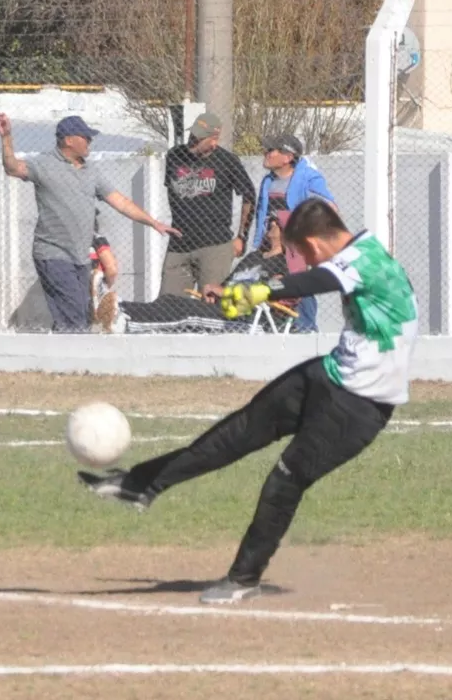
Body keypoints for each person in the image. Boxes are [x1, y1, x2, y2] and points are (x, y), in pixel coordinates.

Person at [79, 198, 419, 603]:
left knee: (285, 481)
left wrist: (259, 290)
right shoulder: (357, 254)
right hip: (330, 374)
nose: (302, 261)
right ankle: (141, 485)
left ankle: (244, 578)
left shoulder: (366, 260)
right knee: (236, 431)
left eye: (300, 252)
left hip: (361, 406)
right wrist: (237, 293)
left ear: (313, 242)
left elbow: (315, 282)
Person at [0, 112, 179, 332]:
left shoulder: (91, 171)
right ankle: (71, 361)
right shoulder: (44, 164)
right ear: (69, 140)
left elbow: (120, 202)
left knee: (81, 314)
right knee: (73, 313)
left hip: (81, 257)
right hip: (52, 254)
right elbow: (12, 167)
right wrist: (6, 137)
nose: (90, 142)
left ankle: (63, 360)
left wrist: (153, 222)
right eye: (86, 137)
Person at [102, 212, 289, 334]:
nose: (269, 225)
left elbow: (272, 290)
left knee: (188, 313)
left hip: (245, 318)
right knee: (170, 300)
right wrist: (214, 290)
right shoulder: (255, 257)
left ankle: (126, 322)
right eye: (269, 221)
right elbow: (226, 285)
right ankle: (120, 307)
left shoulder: (284, 263)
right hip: (221, 307)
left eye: (275, 223)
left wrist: (225, 293)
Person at [160, 113, 256, 298]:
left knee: (212, 305)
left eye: (198, 138)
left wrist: (241, 237)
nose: (192, 141)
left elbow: (249, 196)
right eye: (192, 136)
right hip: (179, 244)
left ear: (213, 140)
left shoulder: (227, 161)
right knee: (168, 303)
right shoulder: (174, 156)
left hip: (214, 246)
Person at [252, 133, 335, 333]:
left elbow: (329, 207)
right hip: (273, 243)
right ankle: (276, 326)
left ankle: (307, 328)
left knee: (300, 284)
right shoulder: (268, 181)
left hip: (297, 244)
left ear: (288, 156)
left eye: (271, 150)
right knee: (273, 284)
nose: (266, 153)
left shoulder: (308, 178)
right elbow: (262, 211)